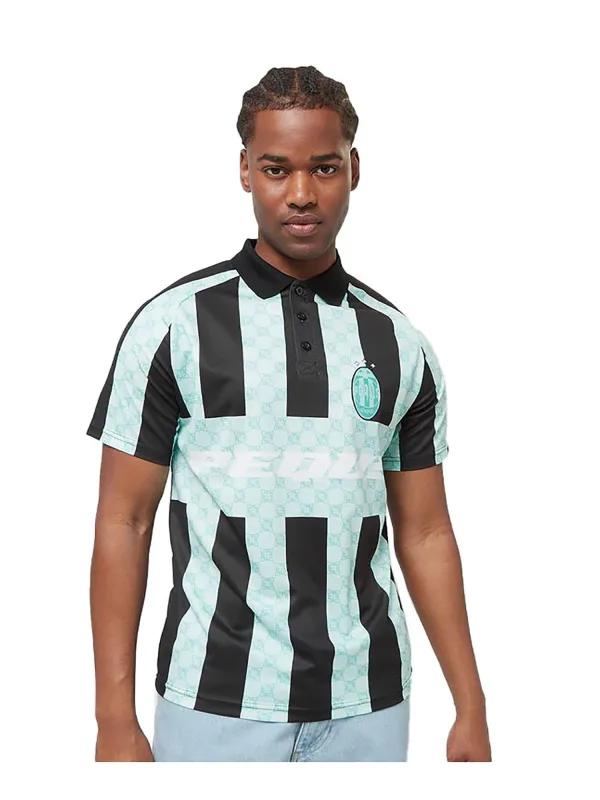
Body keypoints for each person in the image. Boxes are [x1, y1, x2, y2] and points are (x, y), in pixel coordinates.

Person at [87, 65, 491, 762]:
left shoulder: (399, 343)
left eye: (324, 168)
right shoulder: (173, 327)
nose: (302, 193)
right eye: (277, 169)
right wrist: (112, 720)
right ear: (245, 170)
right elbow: (125, 522)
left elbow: (425, 532)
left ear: (354, 170)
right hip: (213, 705)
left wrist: (471, 705)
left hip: (371, 706)